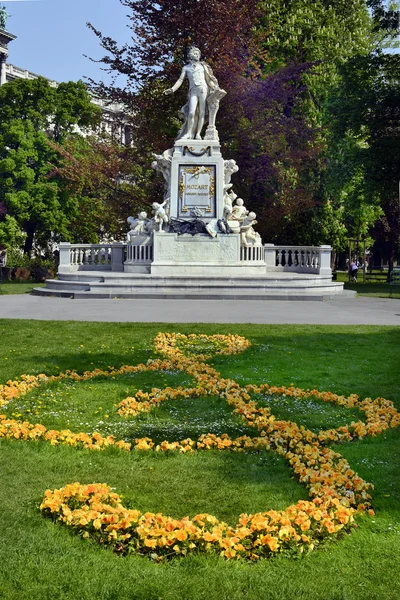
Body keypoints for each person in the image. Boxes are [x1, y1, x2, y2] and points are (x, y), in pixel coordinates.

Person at [164, 46, 224, 140]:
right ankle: (189, 133)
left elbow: (209, 80)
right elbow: (180, 80)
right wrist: (172, 89)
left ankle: (198, 134)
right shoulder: (186, 68)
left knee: (202, 112)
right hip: (193, 90)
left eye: (198, 54)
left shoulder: (203, 66)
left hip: (203, 89)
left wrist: (215, 87)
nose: (197, 55)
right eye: (195, 54)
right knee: (191, 112)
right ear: (191, 55)